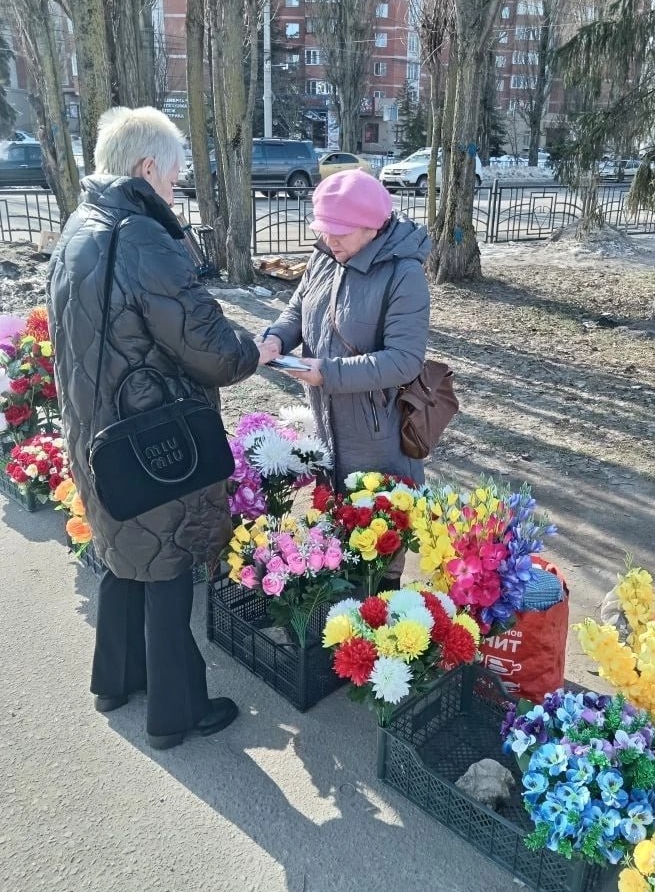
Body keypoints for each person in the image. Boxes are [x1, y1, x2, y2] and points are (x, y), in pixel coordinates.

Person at [47, 106, 264, 750]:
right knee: (166, 563)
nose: (176, 188)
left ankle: (114, 680)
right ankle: (177, 713)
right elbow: (213, 352)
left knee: (123, 553)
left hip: (99, 428)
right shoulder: (143, 236)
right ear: (147, 169)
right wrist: (258, 350)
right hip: (153, 436)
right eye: (174, 176)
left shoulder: (82, 224)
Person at [259, 169, 430, 591]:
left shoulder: (403, 274)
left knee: (379, 544)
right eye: (325, 230)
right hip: (327, 419)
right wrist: (276, 338)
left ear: (372, 226)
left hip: (380, 434)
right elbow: (298, 311)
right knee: (338, 533)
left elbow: (405, 360)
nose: (330, 240)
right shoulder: (325, 257)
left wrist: (328, 373)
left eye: (340, 232)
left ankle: (383, 631)